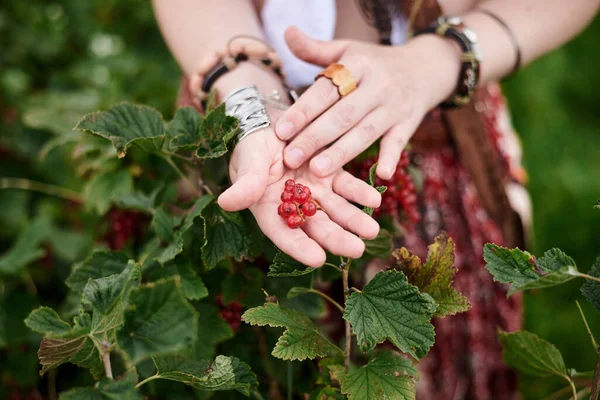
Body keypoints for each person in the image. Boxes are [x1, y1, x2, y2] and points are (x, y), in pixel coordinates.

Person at [152, 0, 599, 398]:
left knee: (427, 351)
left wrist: (438, 60)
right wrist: (247, 99)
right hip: (256, 150)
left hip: (432, 152)